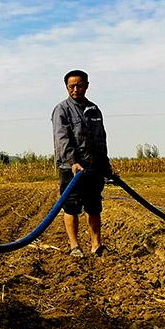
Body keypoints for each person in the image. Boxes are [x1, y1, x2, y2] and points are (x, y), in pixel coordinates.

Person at [52, 70, 113, 257]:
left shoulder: (94, 110)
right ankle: (74, 245)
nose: (76, 89)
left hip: (93, 168)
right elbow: (62, 139)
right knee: (71, 207)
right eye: (72, 86)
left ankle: (96, 245)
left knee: (94, 206)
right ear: (67, 87)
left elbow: (101, 139)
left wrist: (106, 165)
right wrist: (72, 162)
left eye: (79, 85)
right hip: (71, 169)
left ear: (86, 85)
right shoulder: (61, 110)